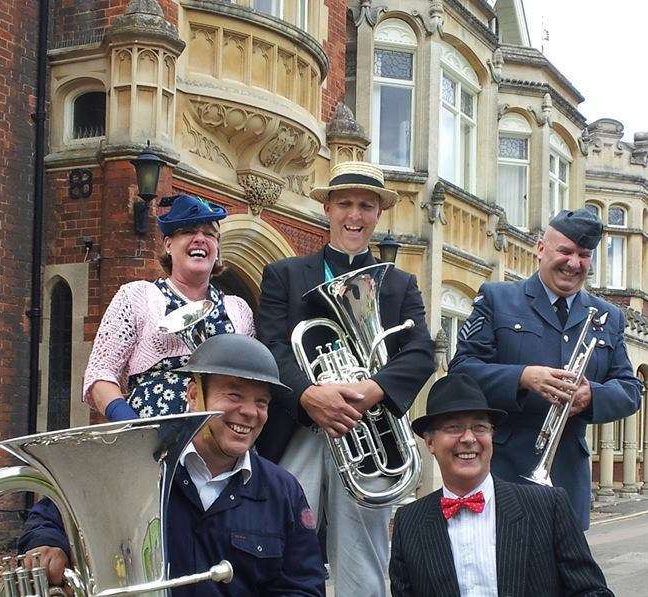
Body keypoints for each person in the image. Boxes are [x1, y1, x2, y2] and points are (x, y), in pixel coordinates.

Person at [19, 334, 327, 597]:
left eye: (262, 402)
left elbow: (302, 586)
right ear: (194, 396)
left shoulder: (283, 491)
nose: (249, 412)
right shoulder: (137, 465)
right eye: (234, 394)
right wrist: (48, 544)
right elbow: (51, 514)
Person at [256, 160, 436, 596]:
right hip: (300, 429)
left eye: (366, 206)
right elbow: (272, 348)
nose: (354, 216)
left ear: (379, 214)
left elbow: (421, 352)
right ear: (328, 209)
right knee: (282, 543)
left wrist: (371, 390)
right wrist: (309, 395)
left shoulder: (400, 284)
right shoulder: (284, 274)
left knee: (364, 557)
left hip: (366, 432)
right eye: (345, 204)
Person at [449, 207, 642, 529]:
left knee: (565, 577)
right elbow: (461, 371)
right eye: (565, 251)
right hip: (502, 468)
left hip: (568, 476)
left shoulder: (608, 316)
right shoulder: (498, 298)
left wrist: (591, 396)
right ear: (541, 248)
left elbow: (630, 390)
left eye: (584, 255)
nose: (574, 263)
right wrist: (523, 377)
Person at [389, 373, 613, 597]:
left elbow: (591, 592)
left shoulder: (548, 506)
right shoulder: (408, 522)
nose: (468, 438)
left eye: (479, 427)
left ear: (491, 436)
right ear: (430, 443)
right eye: (453, 428)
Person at [83, 193, 254, 422]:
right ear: (168, 244)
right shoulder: (136, 296)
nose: (200, 239)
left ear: (217, 248)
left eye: (209, 234)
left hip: (221, 435)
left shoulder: (239, 309)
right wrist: (129, 423)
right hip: (152, 436)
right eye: (188, 231)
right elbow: (100, 373)